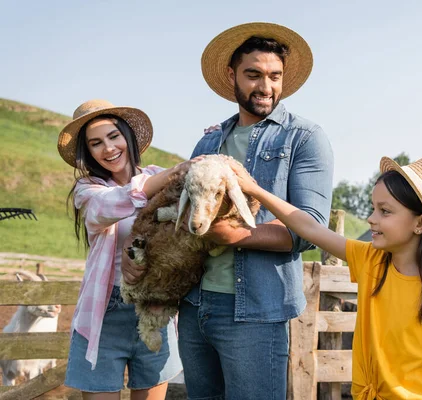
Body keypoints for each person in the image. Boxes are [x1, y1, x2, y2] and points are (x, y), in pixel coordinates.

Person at [122, 22, 334, 399]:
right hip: (195, 304)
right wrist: (140, 260)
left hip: (255, 312)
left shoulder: (303, 138)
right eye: (253, 75)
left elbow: (309, 230)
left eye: (274, 76)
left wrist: (229, 234)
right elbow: (178, 209)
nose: (265, 87)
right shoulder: (209, 138)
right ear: (231, 74)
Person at [229, 156, 422, 400]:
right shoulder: (371, 261)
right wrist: (254, 190)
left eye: (385, 211)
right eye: (373, 208)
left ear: (420, 223)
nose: (371, 218)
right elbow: (310, 228)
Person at [57, 99, 199, 399]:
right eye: (96, 143)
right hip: (105, 313)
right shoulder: (89, 190)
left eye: (113, 136)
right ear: (89, 152)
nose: (108, 148)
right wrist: (171, 175)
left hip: (155, 308)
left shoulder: (159, 175)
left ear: (127, 137)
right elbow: (111, 204)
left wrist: (212, 144)